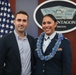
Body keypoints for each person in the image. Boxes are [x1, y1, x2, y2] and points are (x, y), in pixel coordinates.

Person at [0, 10, 34, 75]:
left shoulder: (32, 40)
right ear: (14, 22)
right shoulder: (4, 40)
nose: (21, 23)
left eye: (24, 21)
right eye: (19, 20)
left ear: (27, 23)